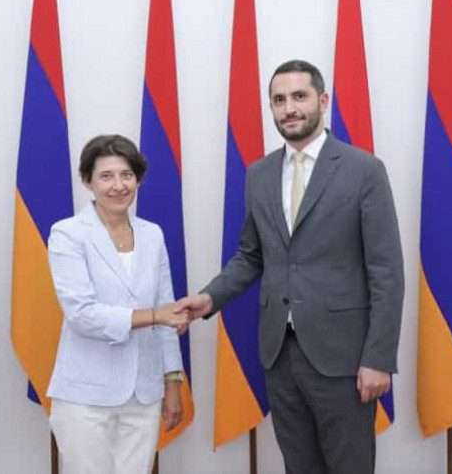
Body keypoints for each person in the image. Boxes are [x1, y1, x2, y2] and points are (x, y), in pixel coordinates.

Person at [177, 60, 404, 473]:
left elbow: (386, 271)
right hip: (280, 356)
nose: (289, 108)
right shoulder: (259, 174)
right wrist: (210, 298)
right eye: (279, 100)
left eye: (299, 96)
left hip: (345, 359)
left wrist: (379, 358)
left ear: (323, 101)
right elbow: (252, 255)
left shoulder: (364, 170)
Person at [46, 134, 188, 474]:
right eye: (106, 176)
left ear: (138, 179)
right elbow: (82, 315)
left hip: (145, 393)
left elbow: (167, 311)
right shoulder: (67, 233)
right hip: (85, 396)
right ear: (88, 181)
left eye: (126, 175)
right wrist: (154, 315)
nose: (118, 185)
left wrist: (173, 382)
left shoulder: (152, 234)